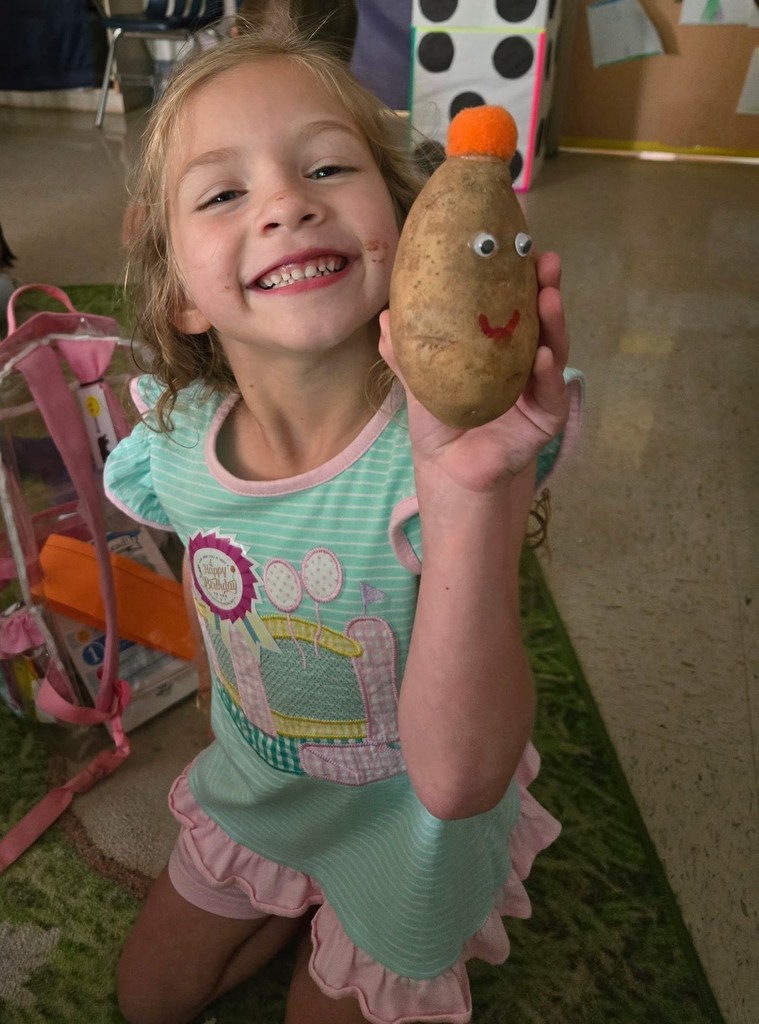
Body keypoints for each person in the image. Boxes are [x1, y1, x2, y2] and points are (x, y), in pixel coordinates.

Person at [105, 21, 582, 1024]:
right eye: (225, 192)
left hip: (410, 830)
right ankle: (290, 890)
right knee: (145, 1001)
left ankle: (344, 911)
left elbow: (457, 781)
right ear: (181, 292)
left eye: (327, 165)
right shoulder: (177, 435)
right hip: (261, 784)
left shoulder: (445, 458)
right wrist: (219, 712)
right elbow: (214, 598)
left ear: (406, 232)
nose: (287, 202)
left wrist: (472, 495)